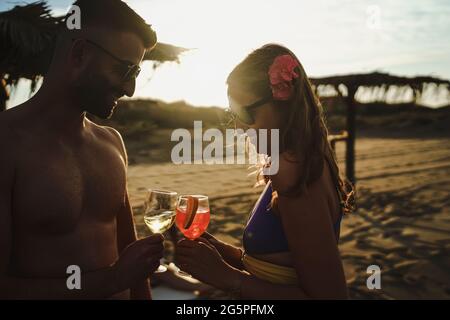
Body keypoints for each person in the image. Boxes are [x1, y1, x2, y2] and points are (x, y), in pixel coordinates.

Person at [0, 0, 163, 299]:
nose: (130, 90)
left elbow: (131, 257)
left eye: (135, 74)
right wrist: (112, 281)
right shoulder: (7, 144)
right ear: (80, 54)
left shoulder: (112, 143)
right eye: (124, 70)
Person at [175, 44, 355, 299]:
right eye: (232, 113)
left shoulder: (293, 174)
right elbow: (280, 266)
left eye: (243, 112)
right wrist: (221, 253)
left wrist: (228, 278)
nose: (237, 127)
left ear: (283, 100)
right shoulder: (307, 158)